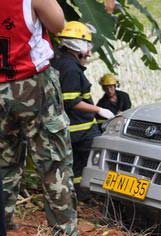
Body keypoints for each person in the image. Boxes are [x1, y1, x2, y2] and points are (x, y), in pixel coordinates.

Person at [0, 0, 78, 236]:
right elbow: (58, 24)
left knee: (3, 160)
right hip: (34, 85)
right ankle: (63, 234)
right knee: (53, 159)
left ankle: (4, 228)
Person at [53, 21, 115, 202]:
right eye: (87, 44)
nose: (89, 49)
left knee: (78, 166)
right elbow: (71, 100)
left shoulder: (60, 62)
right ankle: (93, 196)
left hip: (72, 128)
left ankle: (81, 195)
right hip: (81, 129)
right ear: (78, 44)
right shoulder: (71, 69)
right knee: (94, 161)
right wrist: (99, 109)